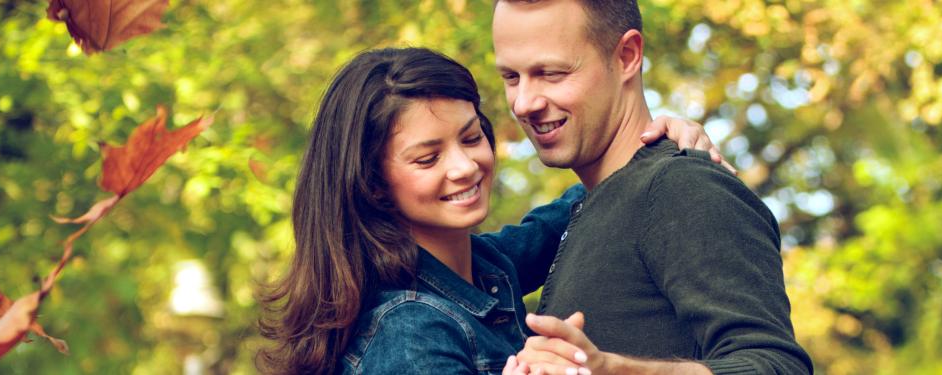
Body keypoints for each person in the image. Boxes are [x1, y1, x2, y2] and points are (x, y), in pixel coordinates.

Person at [255, 47, 725, 375]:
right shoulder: (410, 329)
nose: (464, 166)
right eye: (427, 158)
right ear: (372, 184)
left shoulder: (484, 268)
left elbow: (572, 209)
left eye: (471, 137)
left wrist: (657, 141)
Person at [492, 0, 814, 374]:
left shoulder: (684, 187)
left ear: (627, 56)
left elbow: (777, 366)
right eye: (511, 78)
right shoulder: (580, 210)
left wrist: (614, 370)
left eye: (551, 73)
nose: (524, 102)